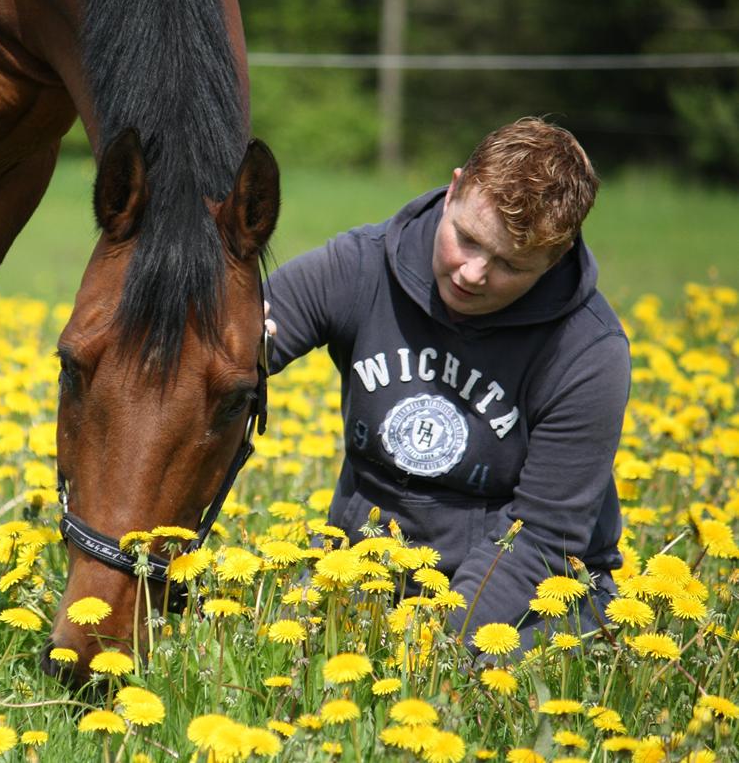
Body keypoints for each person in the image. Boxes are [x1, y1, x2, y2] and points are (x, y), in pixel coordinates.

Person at [264, 117, 629, 649]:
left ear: (555, 259)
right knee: (268, 638)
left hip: (532, 594)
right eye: (467, 238)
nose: (472, 274)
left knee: (485, 687)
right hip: (368, 570)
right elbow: (224, 351)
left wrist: (434, 647)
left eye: (510, 265)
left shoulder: (588, 352)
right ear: (454, 187)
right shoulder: (361, 268)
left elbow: (545, 536)